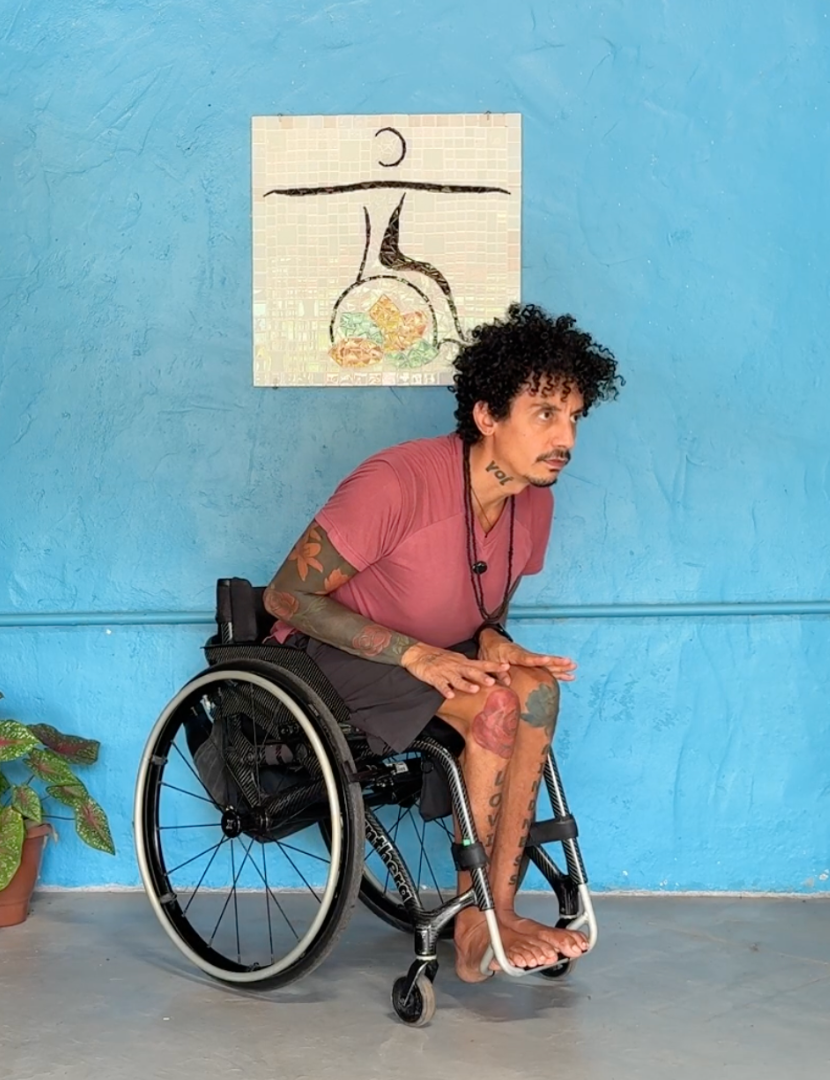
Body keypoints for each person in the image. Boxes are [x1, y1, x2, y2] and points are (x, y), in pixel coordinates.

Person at [264, 303, 622, 982]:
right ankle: (472, 921)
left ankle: (501, 910)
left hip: (442, 658)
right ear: (488, 415)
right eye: (545, 412)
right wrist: (415, 655)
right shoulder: (397, 482)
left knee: (536, 694)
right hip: (337, 659)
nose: (565, 436)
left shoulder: (533, 501)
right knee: (491, 708)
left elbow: (483, 604)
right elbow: (287, 597)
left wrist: (496, 643)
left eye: (574, 416)